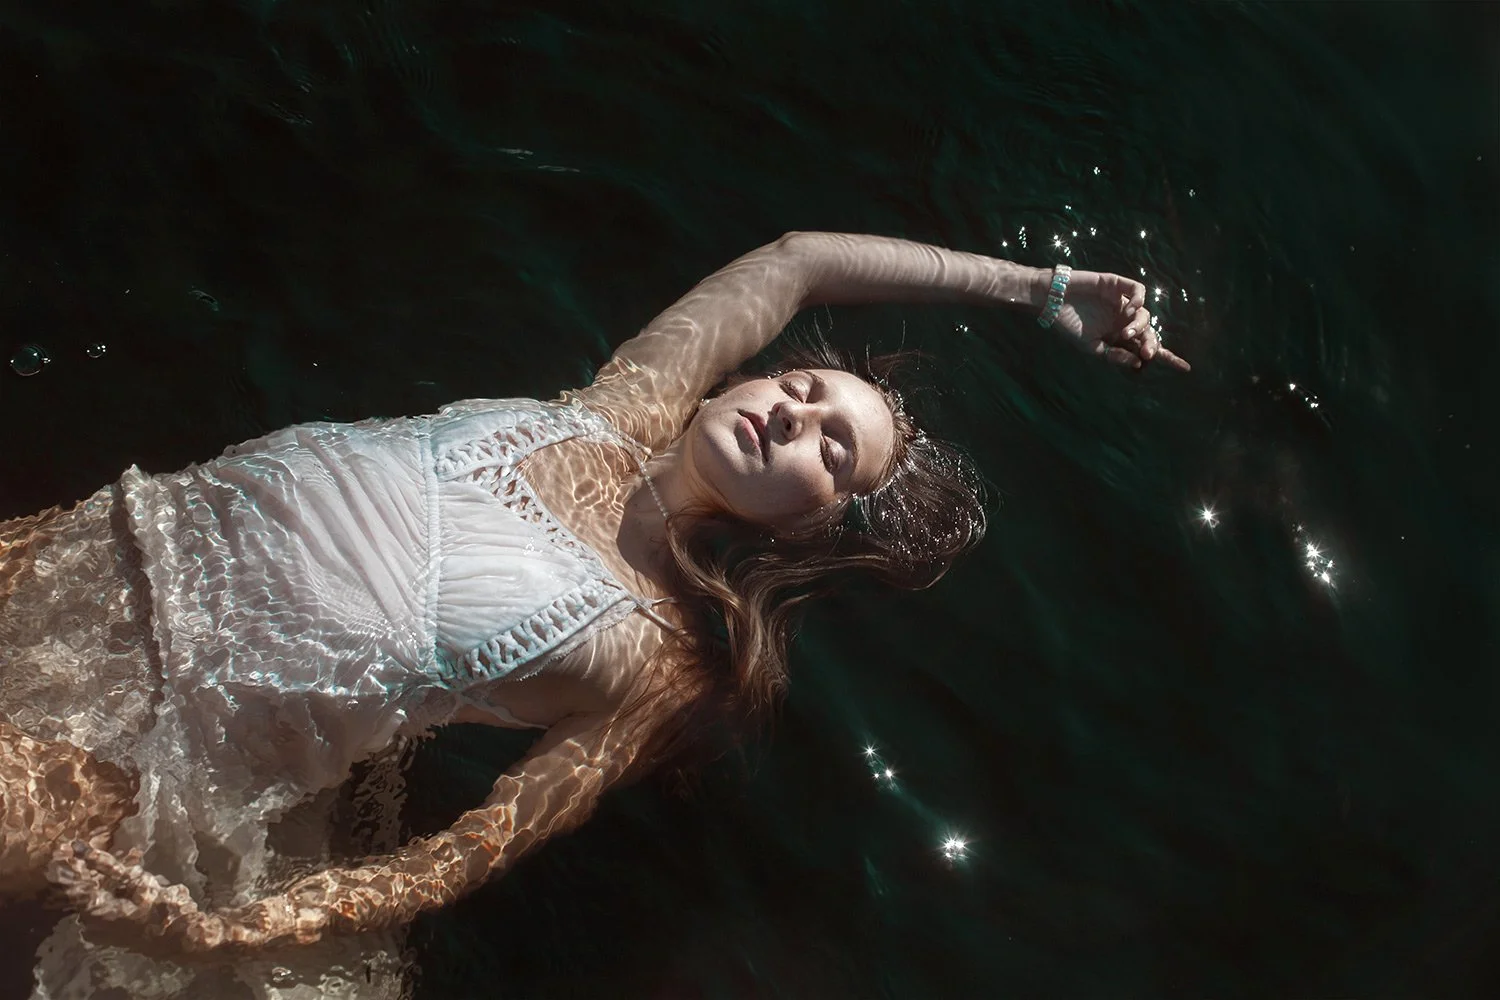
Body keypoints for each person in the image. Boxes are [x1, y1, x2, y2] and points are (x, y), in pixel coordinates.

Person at [1, 231, 1188, 959]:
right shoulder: (612, 411)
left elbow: (473, 849)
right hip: (86, 548)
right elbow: (799, 260)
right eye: (808, 384)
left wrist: (237, 925)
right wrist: (1040, 289)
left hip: (133, 746)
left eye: (831, 449)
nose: (796, 412)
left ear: (811, 532)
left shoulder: (661, 660)